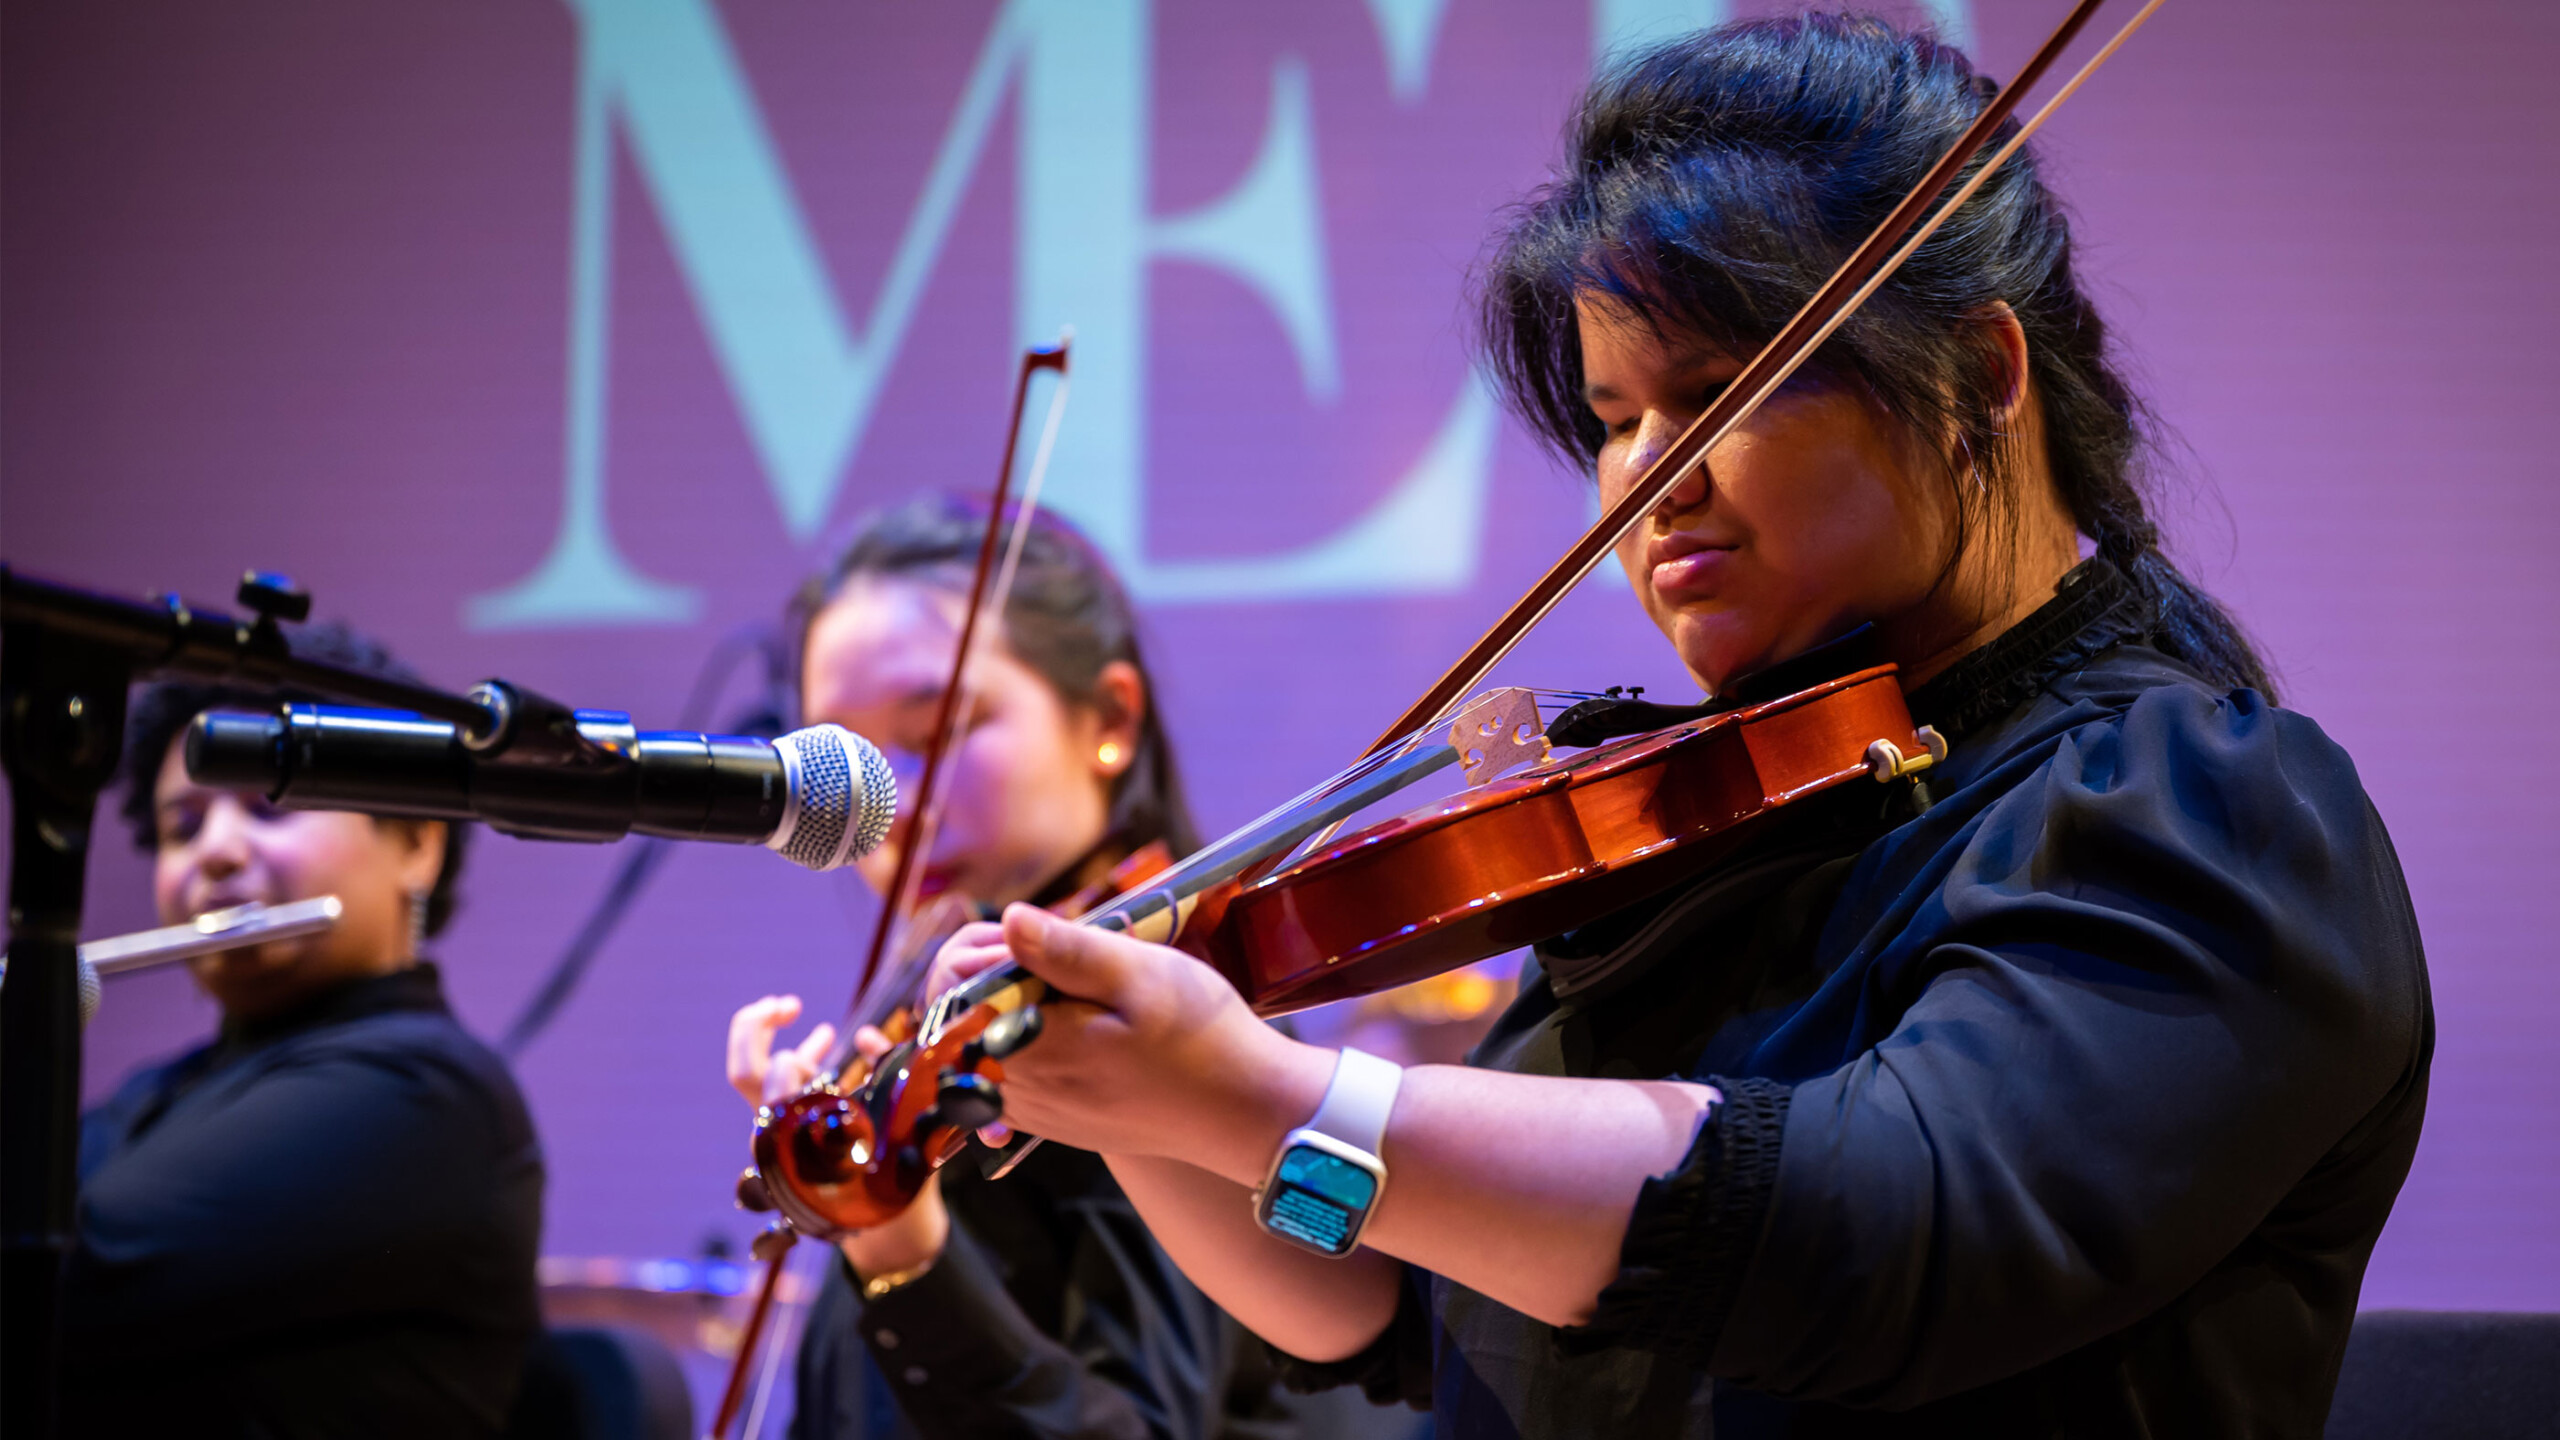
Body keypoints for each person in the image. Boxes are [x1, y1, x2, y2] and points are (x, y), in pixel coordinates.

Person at [920, 17, 2432, 1439]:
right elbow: (1383, 1295)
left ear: (1980, 377)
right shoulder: (1735, 811)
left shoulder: (2201, 806)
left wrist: (1274, 1091)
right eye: (1609, 421)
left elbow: (1872, 1235)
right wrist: (1139, 1101)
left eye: (1715, 394)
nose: (1649, 483)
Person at [727, 496, 1409, 1439]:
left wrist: (903, 1252)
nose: (896, 802)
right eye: (852, 761)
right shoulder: (938, 1020)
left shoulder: (1164, 1027)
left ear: (1110, 721)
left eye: (938, 734)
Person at [66, 624, 545, 1439]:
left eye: (268, 802)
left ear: (418, 842)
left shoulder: (423, 1095)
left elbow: (59, 1280)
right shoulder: (153, 1099)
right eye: (183, 827)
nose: (216, 851)